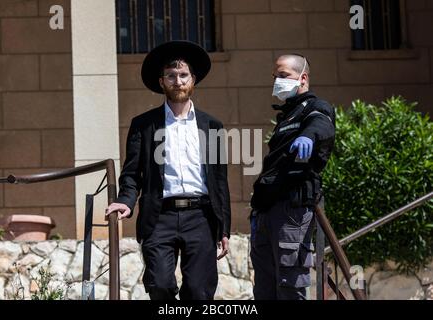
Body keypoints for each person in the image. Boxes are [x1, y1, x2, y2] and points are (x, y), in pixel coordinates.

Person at [105, 41, 231, 300]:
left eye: (183, 75)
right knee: (160, 285)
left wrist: (224, 227)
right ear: (161, 82)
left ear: (193, 80)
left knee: (199, 291)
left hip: (201, 216)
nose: (178, 81)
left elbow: (219, 181)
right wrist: (125, 201)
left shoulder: (212, 126)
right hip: (159, 215)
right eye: (171, 76)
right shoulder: (143, 125)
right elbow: (131, 173)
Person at [250, 54, 335, 300]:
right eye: (275, 76)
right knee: (265, 288)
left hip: (292, 210)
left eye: (284, 75)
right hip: (267, 210)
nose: (278, 81)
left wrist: (309, 136)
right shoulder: (287, 115)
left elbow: (322, 125)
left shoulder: (315, 107)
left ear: (303, 78)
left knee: (289, 285)